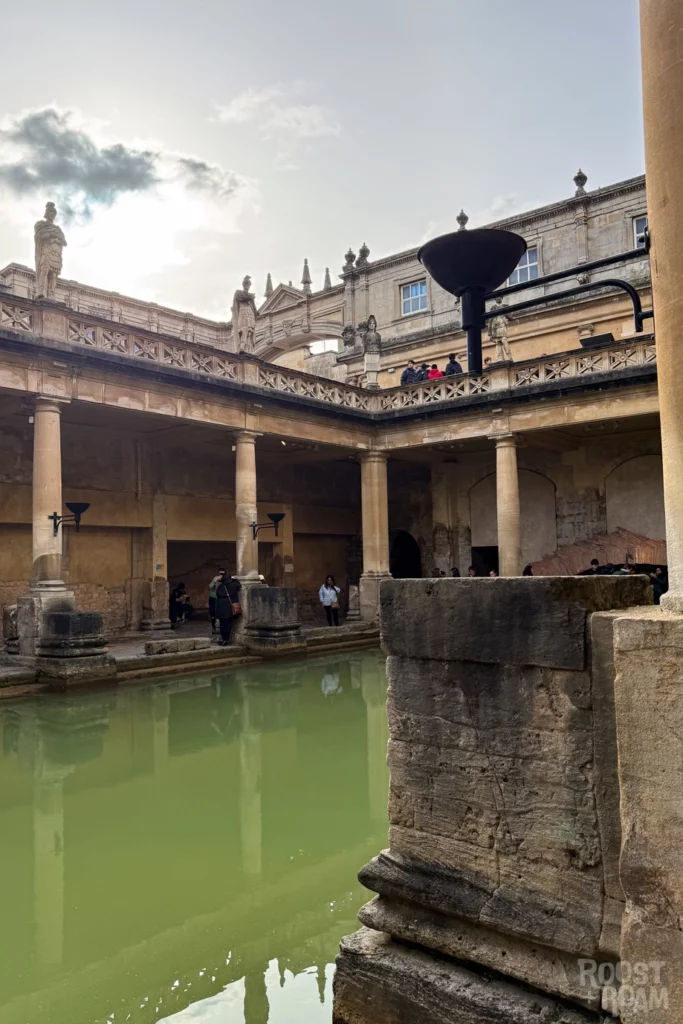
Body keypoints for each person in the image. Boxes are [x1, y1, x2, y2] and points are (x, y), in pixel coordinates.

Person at [215, 571, 242, 645]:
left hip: (221, 607)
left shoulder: (221, 586)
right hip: (229, 607)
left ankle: (224, 639)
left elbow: (217, 594)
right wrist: (235, 579)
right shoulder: (233, 585)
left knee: (222, 624)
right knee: (229, 623)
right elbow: (239, 585)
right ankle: (227, 639)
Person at [208, 567, 226, 632]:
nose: (221, 574)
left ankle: (221, 628)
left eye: (222, 572)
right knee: (212, 612)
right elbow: (210, 586)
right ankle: (213, 627)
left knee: (220, 613)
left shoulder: (226, 579)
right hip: (213, 597)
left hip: (221, 598)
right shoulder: (216, 578)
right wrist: (215, 581)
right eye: (220, 572)